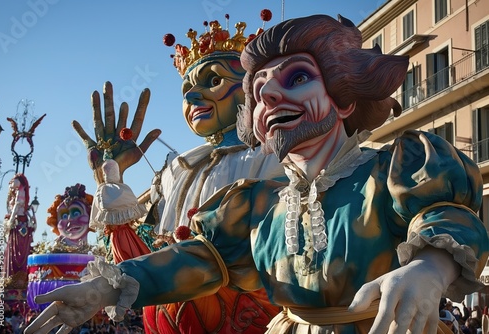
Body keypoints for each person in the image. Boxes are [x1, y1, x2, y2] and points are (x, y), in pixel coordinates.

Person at [24, 14, 489, 334]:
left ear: (344, 97)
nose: (271, 98)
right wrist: (108, 284)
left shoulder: (393, 167)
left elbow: (444, 215)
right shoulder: (255, 204)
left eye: (297, 78)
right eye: (261, 90)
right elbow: (197, 260)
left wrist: (429, 269)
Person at [71, 12, 284, 334]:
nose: (191, 96)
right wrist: (111, 180)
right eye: (187, 87)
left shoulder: (276, 155)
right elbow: (141, 250)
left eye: (214, 81)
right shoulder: (176, 167)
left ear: (257, 88)